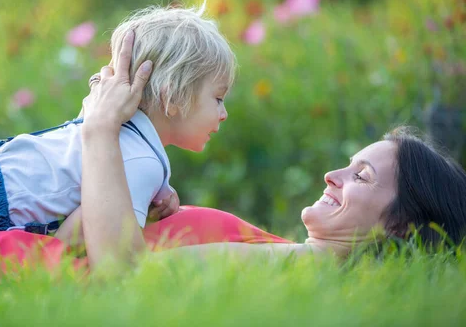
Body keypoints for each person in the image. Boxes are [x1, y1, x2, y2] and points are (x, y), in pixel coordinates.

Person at [77, 38, 466, 269]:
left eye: (361, 176)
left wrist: (100, 129)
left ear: (402, 228)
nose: (332, 175)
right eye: (349, 166)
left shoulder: (304, 267)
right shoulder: (291, 258)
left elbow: (122, 272)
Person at [0, 3, 236, 237]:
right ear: (173, 96)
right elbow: (102, 252)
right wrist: (151, 186)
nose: (223, 113)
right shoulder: (139, 160)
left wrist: (157, 192)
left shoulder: (121, 135)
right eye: (217, 98)